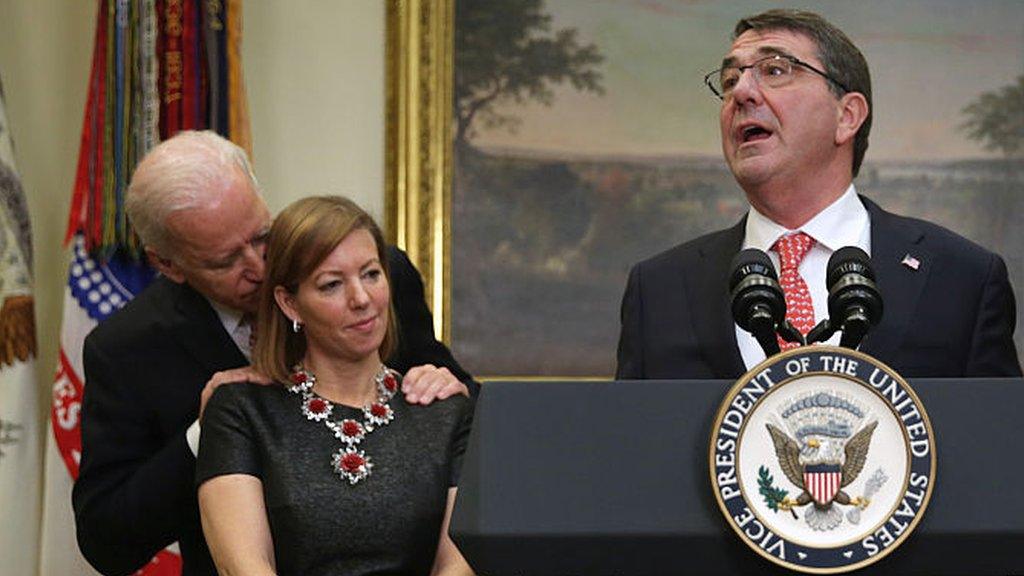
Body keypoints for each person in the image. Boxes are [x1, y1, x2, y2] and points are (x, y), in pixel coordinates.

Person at [73, 131, 474, 576]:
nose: (260, 267)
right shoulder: (129, 349)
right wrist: (202, 433)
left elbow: (470, 431)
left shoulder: (373, 277)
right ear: (168, 265)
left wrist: (445, 383)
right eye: (226, 261)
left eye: (262, 236)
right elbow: (106, 540)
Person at [616, 9, 1021, 380]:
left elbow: (998, 445)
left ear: (847, 117)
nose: (741, 93)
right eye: (729, 80)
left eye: (774, 70)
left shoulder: (962, 278)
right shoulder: (658, 290)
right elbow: (630, 447)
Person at [196, 195, 473, 575]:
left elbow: (460, 565)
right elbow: (243, 567)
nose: (361, 299)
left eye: (371, 274)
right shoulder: (241, 410)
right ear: (290, 304)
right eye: (331, 285)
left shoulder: (446, 408)